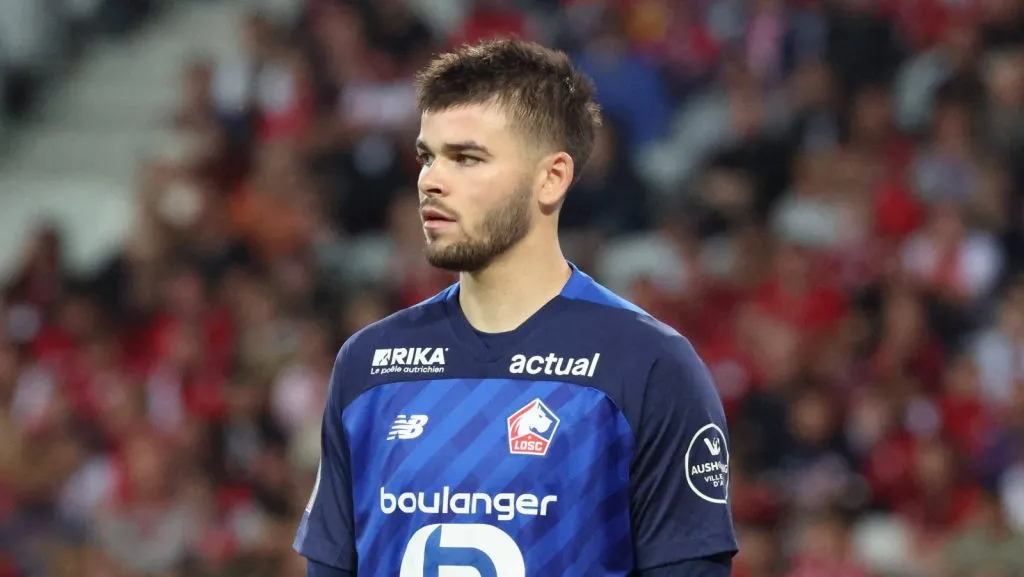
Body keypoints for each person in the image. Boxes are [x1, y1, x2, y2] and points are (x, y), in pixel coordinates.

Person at [294, 38, 737, 577]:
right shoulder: (368, 364)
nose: (430, 180)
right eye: (427, 156)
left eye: (466, 158)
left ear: (551, 178)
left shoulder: (647, 365)